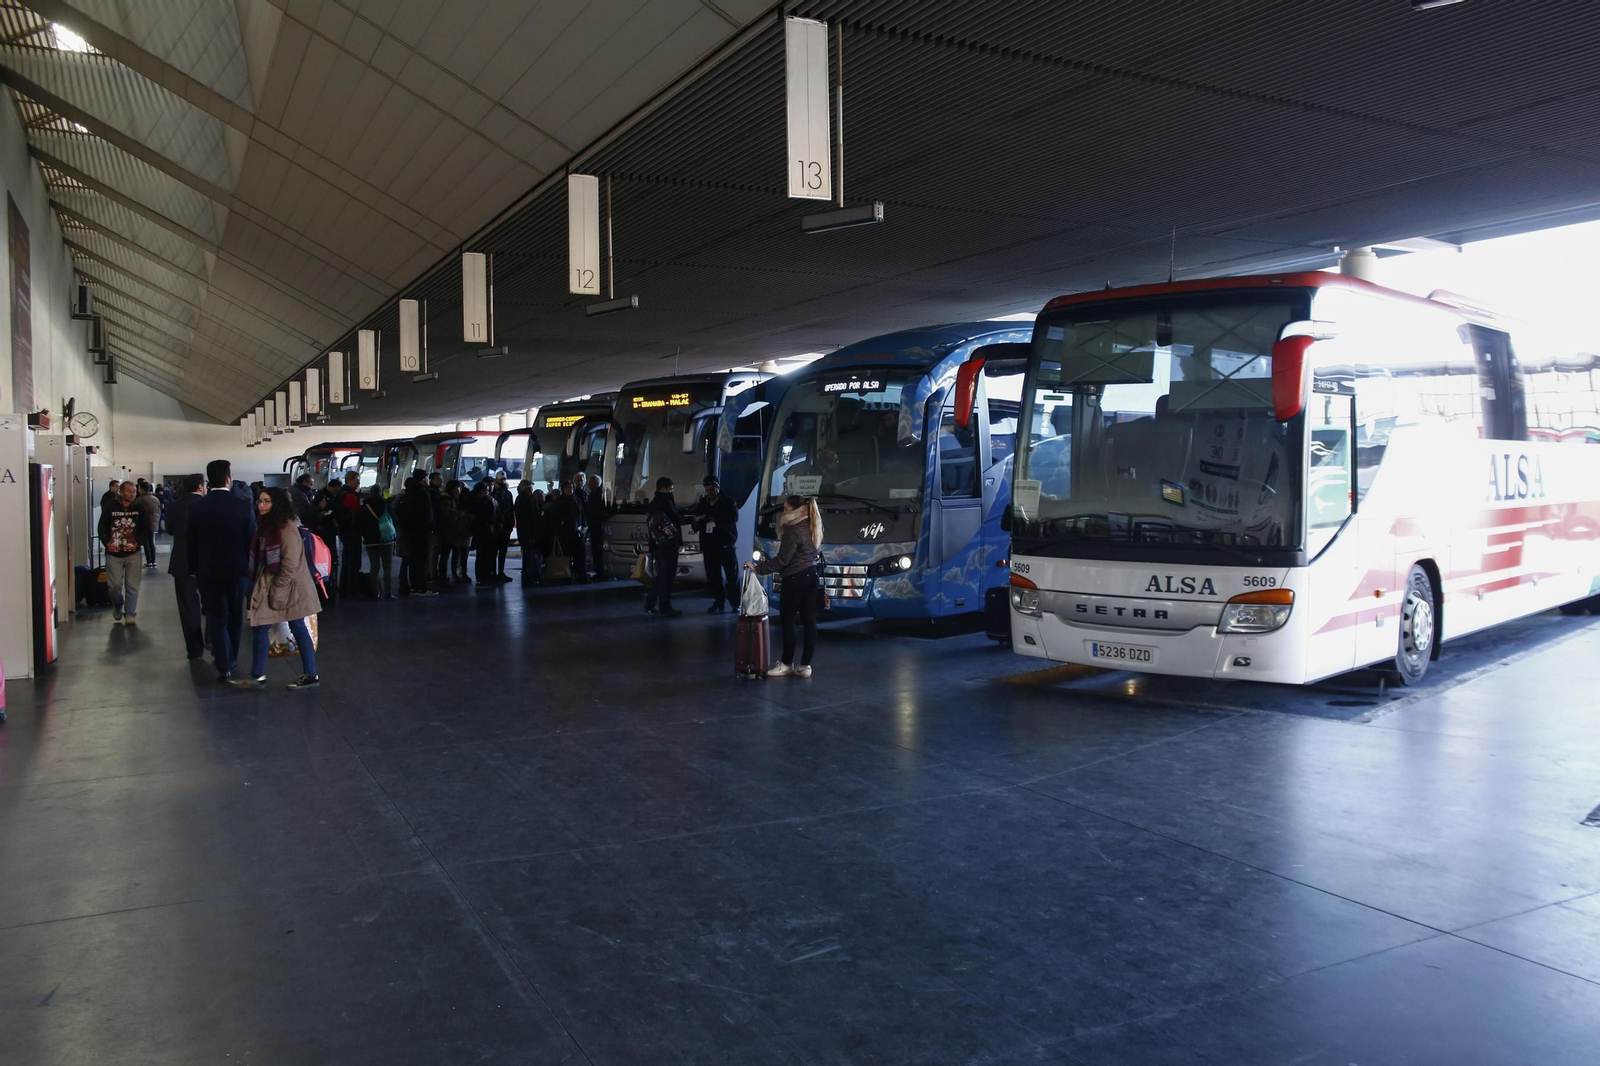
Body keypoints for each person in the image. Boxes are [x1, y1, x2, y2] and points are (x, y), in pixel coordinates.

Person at [231, 488, 320, 689]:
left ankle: (309, 674)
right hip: (276, 585)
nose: (261, 505)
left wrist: (278, 588)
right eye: (260, 501)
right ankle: (259, 674)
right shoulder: (268, 526)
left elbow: (290, 564)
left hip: (289, 587)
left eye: (267, 501)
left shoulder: (285, 528)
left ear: (277, 503)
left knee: (296, 626)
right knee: (265, 626)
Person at [189, 459, 256, 681]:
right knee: (235, 615)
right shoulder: (243, 506)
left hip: (207, 571)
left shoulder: (197, 507)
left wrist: (193, 568)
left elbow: (191, 542)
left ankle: (223, 664)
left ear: (209, 480)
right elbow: (251, 540)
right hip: (237, 571)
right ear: (228, 479)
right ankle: (233, 658)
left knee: (216, 616)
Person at [750, 494, 824, 678]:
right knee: (809, 621)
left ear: (796, 510)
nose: (783, 513)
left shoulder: (794, 530)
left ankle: (786, 663)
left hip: (795, 578)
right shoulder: (812, 525)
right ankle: (805, 666)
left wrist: (758, 568)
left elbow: (782, 560)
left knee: (788, 621)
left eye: (785, 509)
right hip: (812, 575)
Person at [166, 472, 207, 658]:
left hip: (182, 562)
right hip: (207, 561)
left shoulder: (174, 506)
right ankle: (215, 643)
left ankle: (194, 649)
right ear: (200, 487)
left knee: (188, 607)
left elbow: (169, 529)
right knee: (214, 604)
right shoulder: (208, 505)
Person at [688, 475, 740, 612]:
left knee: (731, 576)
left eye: (712, 490)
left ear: (718, 488)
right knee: (713, 576)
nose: (709, 493)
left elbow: (732, 519)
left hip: (725, 544)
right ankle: (719, 601)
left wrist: (713, 519)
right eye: (707, 490)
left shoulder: (729, 502)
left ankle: (735, 603)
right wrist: (698, 522)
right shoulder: (703, 503)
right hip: (709, 545)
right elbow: (696, 520)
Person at [98, 480, 144, 625]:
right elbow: (102, 527)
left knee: (132, 586)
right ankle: (118, 604)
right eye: (129, 491)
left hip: (133, 553)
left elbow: (145, 528)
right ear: (121, 492)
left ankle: (130, 613)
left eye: (134, 491)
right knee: (114, 586)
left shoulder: (139, 508)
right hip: (114, 553)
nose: (133, 494)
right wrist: (108, 543)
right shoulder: (110, 506)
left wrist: (138, 542)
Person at [643, 476, 687, 617]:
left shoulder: (654, 502)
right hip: (668, 545)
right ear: (664, 489)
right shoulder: (666, 502)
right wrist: (691, 519)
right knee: (667, 577)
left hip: (656, 544)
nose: (672, 491)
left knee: (660, 576)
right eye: (670, 489)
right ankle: (665, 607)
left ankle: (650, 603)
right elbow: (676, 518)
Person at [397, 475, 437, 596]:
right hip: (421, 532)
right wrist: (431, 527)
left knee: (411, 560)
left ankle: (412, 586)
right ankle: (420, 587)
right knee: (421, 560)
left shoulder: (406, 495)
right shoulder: (422, 494)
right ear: (422, 479)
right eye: (427, 478)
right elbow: (427, 515)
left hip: (409, 532)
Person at [359, 486, 396, 599]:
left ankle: (375, 593)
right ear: (381, 493)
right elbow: (394, 519)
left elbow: (360, 524)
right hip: (387, 540)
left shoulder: (364, 507)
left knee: (374, 567)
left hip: (371, 541)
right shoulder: (386, 504)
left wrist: (366, 535)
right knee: (387, 567)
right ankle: (388, 593)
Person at [333, 471, 364, 598]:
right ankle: (352, 590)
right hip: (352, 532)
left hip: (344, 531)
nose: (358, 483)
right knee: (354, 561)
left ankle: (344, 589)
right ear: (349, 480)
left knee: (346, 560)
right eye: (356, 480)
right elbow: (357, 513)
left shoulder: (340, 494)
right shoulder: (350, 496)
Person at [551, 476, 588, 582]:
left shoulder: (577, 500)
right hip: (564, 532)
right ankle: (566, 575)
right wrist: (556, 533)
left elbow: (582, 514)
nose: (569, 489)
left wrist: (584, 526)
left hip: (577, 531)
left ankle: (581, 575)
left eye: (571, 487)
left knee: (581, 554)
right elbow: (555, 518)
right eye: (567, 487)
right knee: (566, 555)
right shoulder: (559, 502)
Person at [469, 480, 500, 588]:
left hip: (482, 530)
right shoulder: (480, 500)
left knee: (483, 556)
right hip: (483, 530)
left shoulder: (476, 499)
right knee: (483, 556)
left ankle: (483, 578)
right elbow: (487, 514)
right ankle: (482, 579)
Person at [513, 480, 543, 586]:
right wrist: (531, 534)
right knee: (529, 557)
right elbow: (528, 519)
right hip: (528, 533)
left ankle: (529, 578)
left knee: (529, 556)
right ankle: (529, 578)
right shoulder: (525, 500)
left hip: (526, 533)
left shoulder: (523, 499)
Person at [491, 471, 515, 582]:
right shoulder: (495, 493)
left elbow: (511, 508)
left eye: (504, 479)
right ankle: (494, 572)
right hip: (498, 525)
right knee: (495, 550)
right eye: (501, 479)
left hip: (506, 524)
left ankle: (500, 572)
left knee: (502, 550)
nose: (503, 481)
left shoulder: (507, 493)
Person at [585, 473, 608, 579]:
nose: (588, 484)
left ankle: (600, 572)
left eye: (590, 483)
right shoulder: (597, 494)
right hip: (595, 524)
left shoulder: (597, 495)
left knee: (597, 550)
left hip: (596, 525)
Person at [135, 479, 161, 568]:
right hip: (153, 523)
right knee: (151, 543)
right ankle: (153, 561)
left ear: (142, 489)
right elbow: (159, 511)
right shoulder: (155, 499)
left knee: (146, 543)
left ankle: (149, 561)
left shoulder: (140, 499)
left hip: (144, 524)